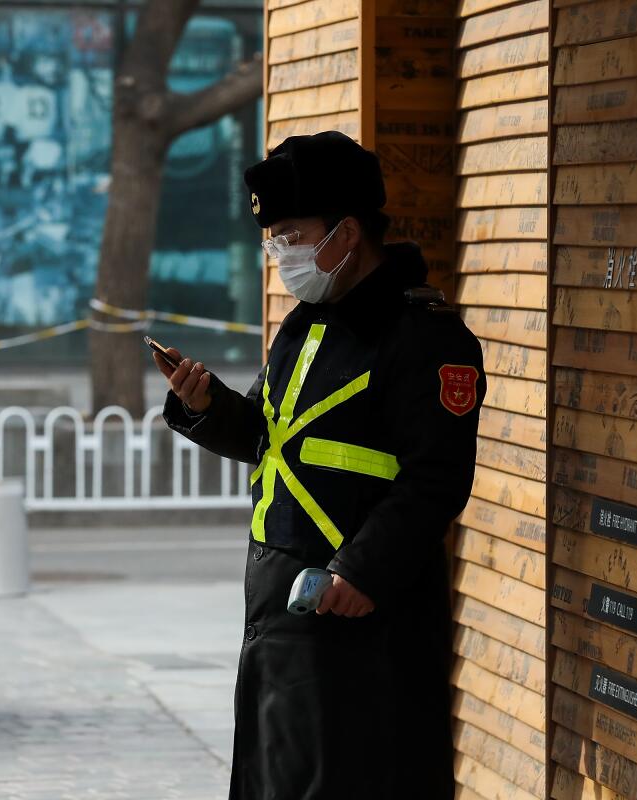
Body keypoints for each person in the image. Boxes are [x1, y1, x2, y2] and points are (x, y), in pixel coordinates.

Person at [153, 132, 486, 799]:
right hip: (281, 606)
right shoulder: (306, 322)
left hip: (360, 615)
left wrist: (360, 572)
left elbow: (436, 478)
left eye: (291, 233)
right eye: (271, 236)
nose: (279, 252)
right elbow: (270, 437)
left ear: (347, 231)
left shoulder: (425, 337)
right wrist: (203, 405)